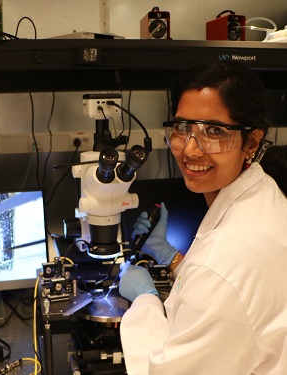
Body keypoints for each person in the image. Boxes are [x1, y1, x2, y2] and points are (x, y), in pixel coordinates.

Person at [118, 61, 287, 374]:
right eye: (182, 129)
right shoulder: (263, 192)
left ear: (251, 141)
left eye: (214, 131)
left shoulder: (226, 260)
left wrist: (145, 302)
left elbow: (163, 371)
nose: (190, 151)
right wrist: (172, 259)